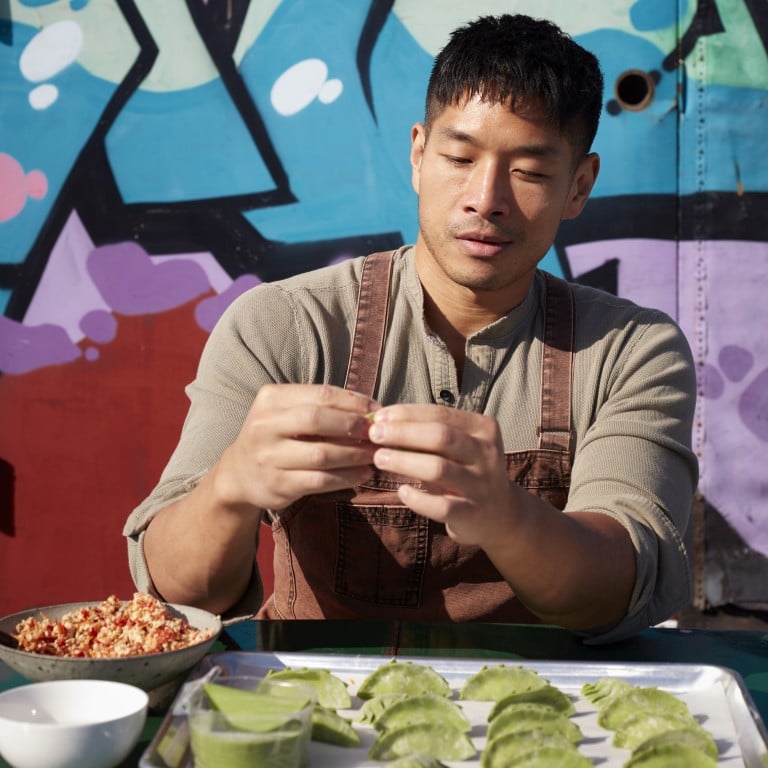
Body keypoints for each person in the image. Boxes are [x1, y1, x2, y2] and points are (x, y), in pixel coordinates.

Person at [124, 13, 697, 642]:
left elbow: (620, 586)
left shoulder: (632, 352)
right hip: (312, 709)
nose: (486, 198)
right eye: (459, 157)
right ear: (419, 154)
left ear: (578, 187)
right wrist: (231, 485)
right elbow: (177, 593)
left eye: (529, 171)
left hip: (542, 718)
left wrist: (506, 515)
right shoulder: (285, 326)